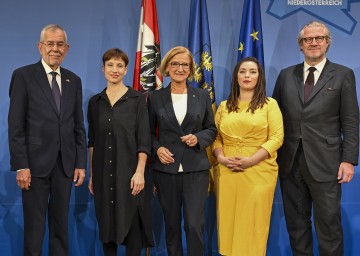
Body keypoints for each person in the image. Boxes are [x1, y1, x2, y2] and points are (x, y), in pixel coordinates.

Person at [272, 21, 359, 256]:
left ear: (327, 42)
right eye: (307, 39)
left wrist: (349, 160)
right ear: (300, 45)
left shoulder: (343, 75)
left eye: (318, 38)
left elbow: (350, 121)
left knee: (329, 226)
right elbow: (274, 118)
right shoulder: (285, 75)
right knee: (296, 226)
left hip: (327, 163)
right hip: (289, 163)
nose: (313, 43)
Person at [8, 24, 87, 255]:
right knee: (34, 229)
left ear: (67, 48)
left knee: (61, 228)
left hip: (65, 166)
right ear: (40, 47)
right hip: (33, 166)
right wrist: (21, 165)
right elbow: (15, 125)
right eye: (50, 44)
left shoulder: (74, 80)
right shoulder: (23, 76)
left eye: (60, 44)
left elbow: (78, 126)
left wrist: (81, 163)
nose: (55, 49)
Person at [147, 46, 216, 256]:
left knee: (194, 226)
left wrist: (198, 138)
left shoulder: (202, 95)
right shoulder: (155, 97)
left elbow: (212, 129)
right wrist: (157, 149)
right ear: (167, 67)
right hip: (165, 170)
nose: (180, 68)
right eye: (175, 64)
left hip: (196, 169)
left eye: (185, 64)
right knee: (172, 226)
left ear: (191, 69)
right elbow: (147, 133)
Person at [213, 57, 284, 255]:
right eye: (243, 71)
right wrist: (220, 158)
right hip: (227, 172)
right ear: (236, 76)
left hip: (258, 172)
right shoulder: (224, 106)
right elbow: (216, 138)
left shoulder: (270, 105)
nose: (247, 76)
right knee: (229, 223)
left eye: (252, 71)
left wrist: (251, 160)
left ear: (259, 77)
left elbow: (277, 137)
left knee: (252, 224)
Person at [87, 48, 153, 256]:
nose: (114, 70)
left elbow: (144, 140)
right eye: (110, 65)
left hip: (130, 176)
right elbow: (93, 141)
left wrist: (140, 172)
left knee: (132, 233)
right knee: (107, 231)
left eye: (119, 66)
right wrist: (92, 175)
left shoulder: (137, 100)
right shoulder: (95, 103)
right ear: (103, 69)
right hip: (102, 177)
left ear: (125, 70)